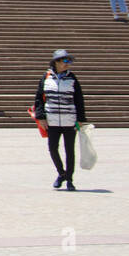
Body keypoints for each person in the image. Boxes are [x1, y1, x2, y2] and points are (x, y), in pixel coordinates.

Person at [32, 50, 87, 189]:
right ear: (56, 62)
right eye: (64, 61)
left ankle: (69, 180)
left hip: (69, 120)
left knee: (70, 150)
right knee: (52, 148)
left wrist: (80, 119)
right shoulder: (46, 77)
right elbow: (39, 98)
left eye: (69, 61)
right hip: (52, 120)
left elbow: (79, 99)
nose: (67, 64)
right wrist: (41, 117)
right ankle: (61, 173)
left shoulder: (72, 78)